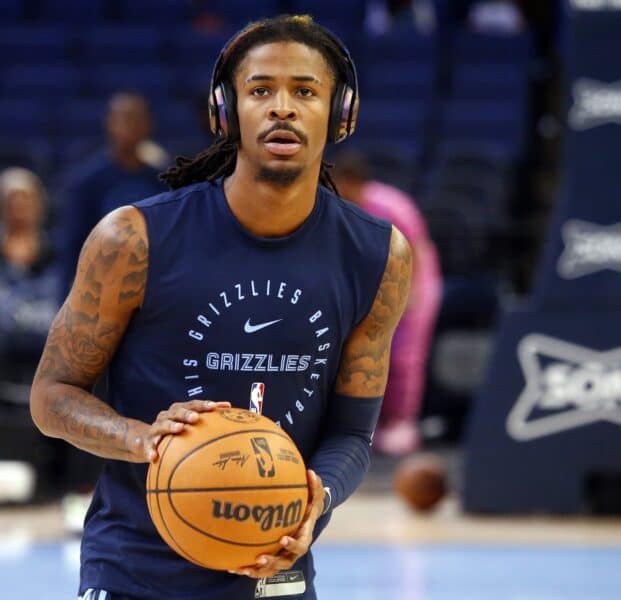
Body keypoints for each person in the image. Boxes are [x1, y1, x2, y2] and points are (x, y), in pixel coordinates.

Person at [30, 15, 412, 600]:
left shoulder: (378, 255)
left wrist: (317, 499)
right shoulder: (131, 239)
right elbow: (51, 396)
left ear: (341, 114)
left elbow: (353, 436)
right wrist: (141, 439)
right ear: (225, 112)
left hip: (274, 568)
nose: (282, 107)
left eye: (305, 91)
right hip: (134, 568)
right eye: (260, 90)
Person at [334, 150, 442, 455]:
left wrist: (409, 295)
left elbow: (416, 249)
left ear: (354, 181)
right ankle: (369, 424)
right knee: (366, 355)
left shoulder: (391, 205)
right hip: (374, 289)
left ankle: (401, 423)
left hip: (416, 284)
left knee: (404, 358)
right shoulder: (342, 207)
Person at [55, 92, 164, 302]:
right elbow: (72, 246)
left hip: (153, 290)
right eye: (122, 118)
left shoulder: (161, 180)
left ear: (147, 125)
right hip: (102, 292)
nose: (128, 125)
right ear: (109, 124)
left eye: (135, 118)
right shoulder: (87, 182)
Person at [0, 167, 54, 276]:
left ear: (37, 205)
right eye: (12, 200)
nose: (18, 206)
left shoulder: (51, 251)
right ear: (0, 205)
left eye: (25, 200)